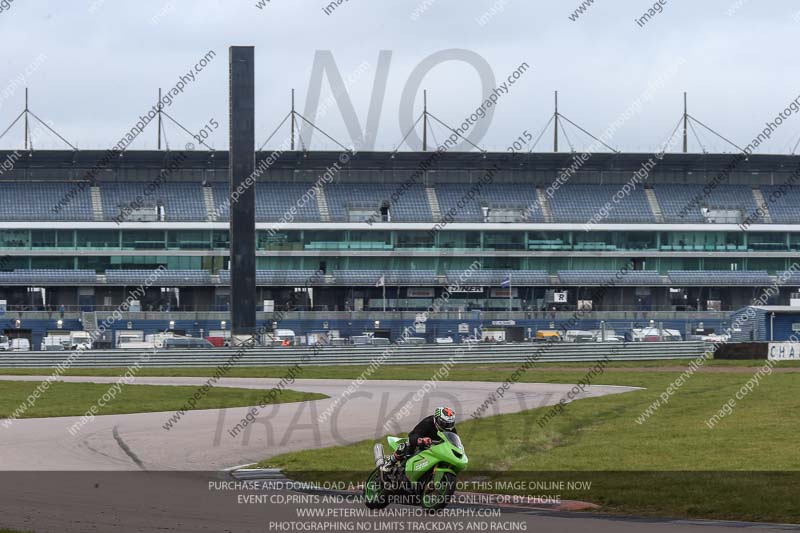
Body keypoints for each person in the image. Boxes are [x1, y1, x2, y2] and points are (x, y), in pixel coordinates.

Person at [382, 407, 457, 472]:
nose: (447, 427)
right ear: (437, 419)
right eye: (444, 423)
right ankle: (390, 463)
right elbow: (413, 435)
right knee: (407, 444)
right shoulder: (428, 422)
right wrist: (421, 440)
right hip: (421, 445)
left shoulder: (451, 430)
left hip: (436, 449)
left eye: (450, 424)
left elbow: (454, 442)